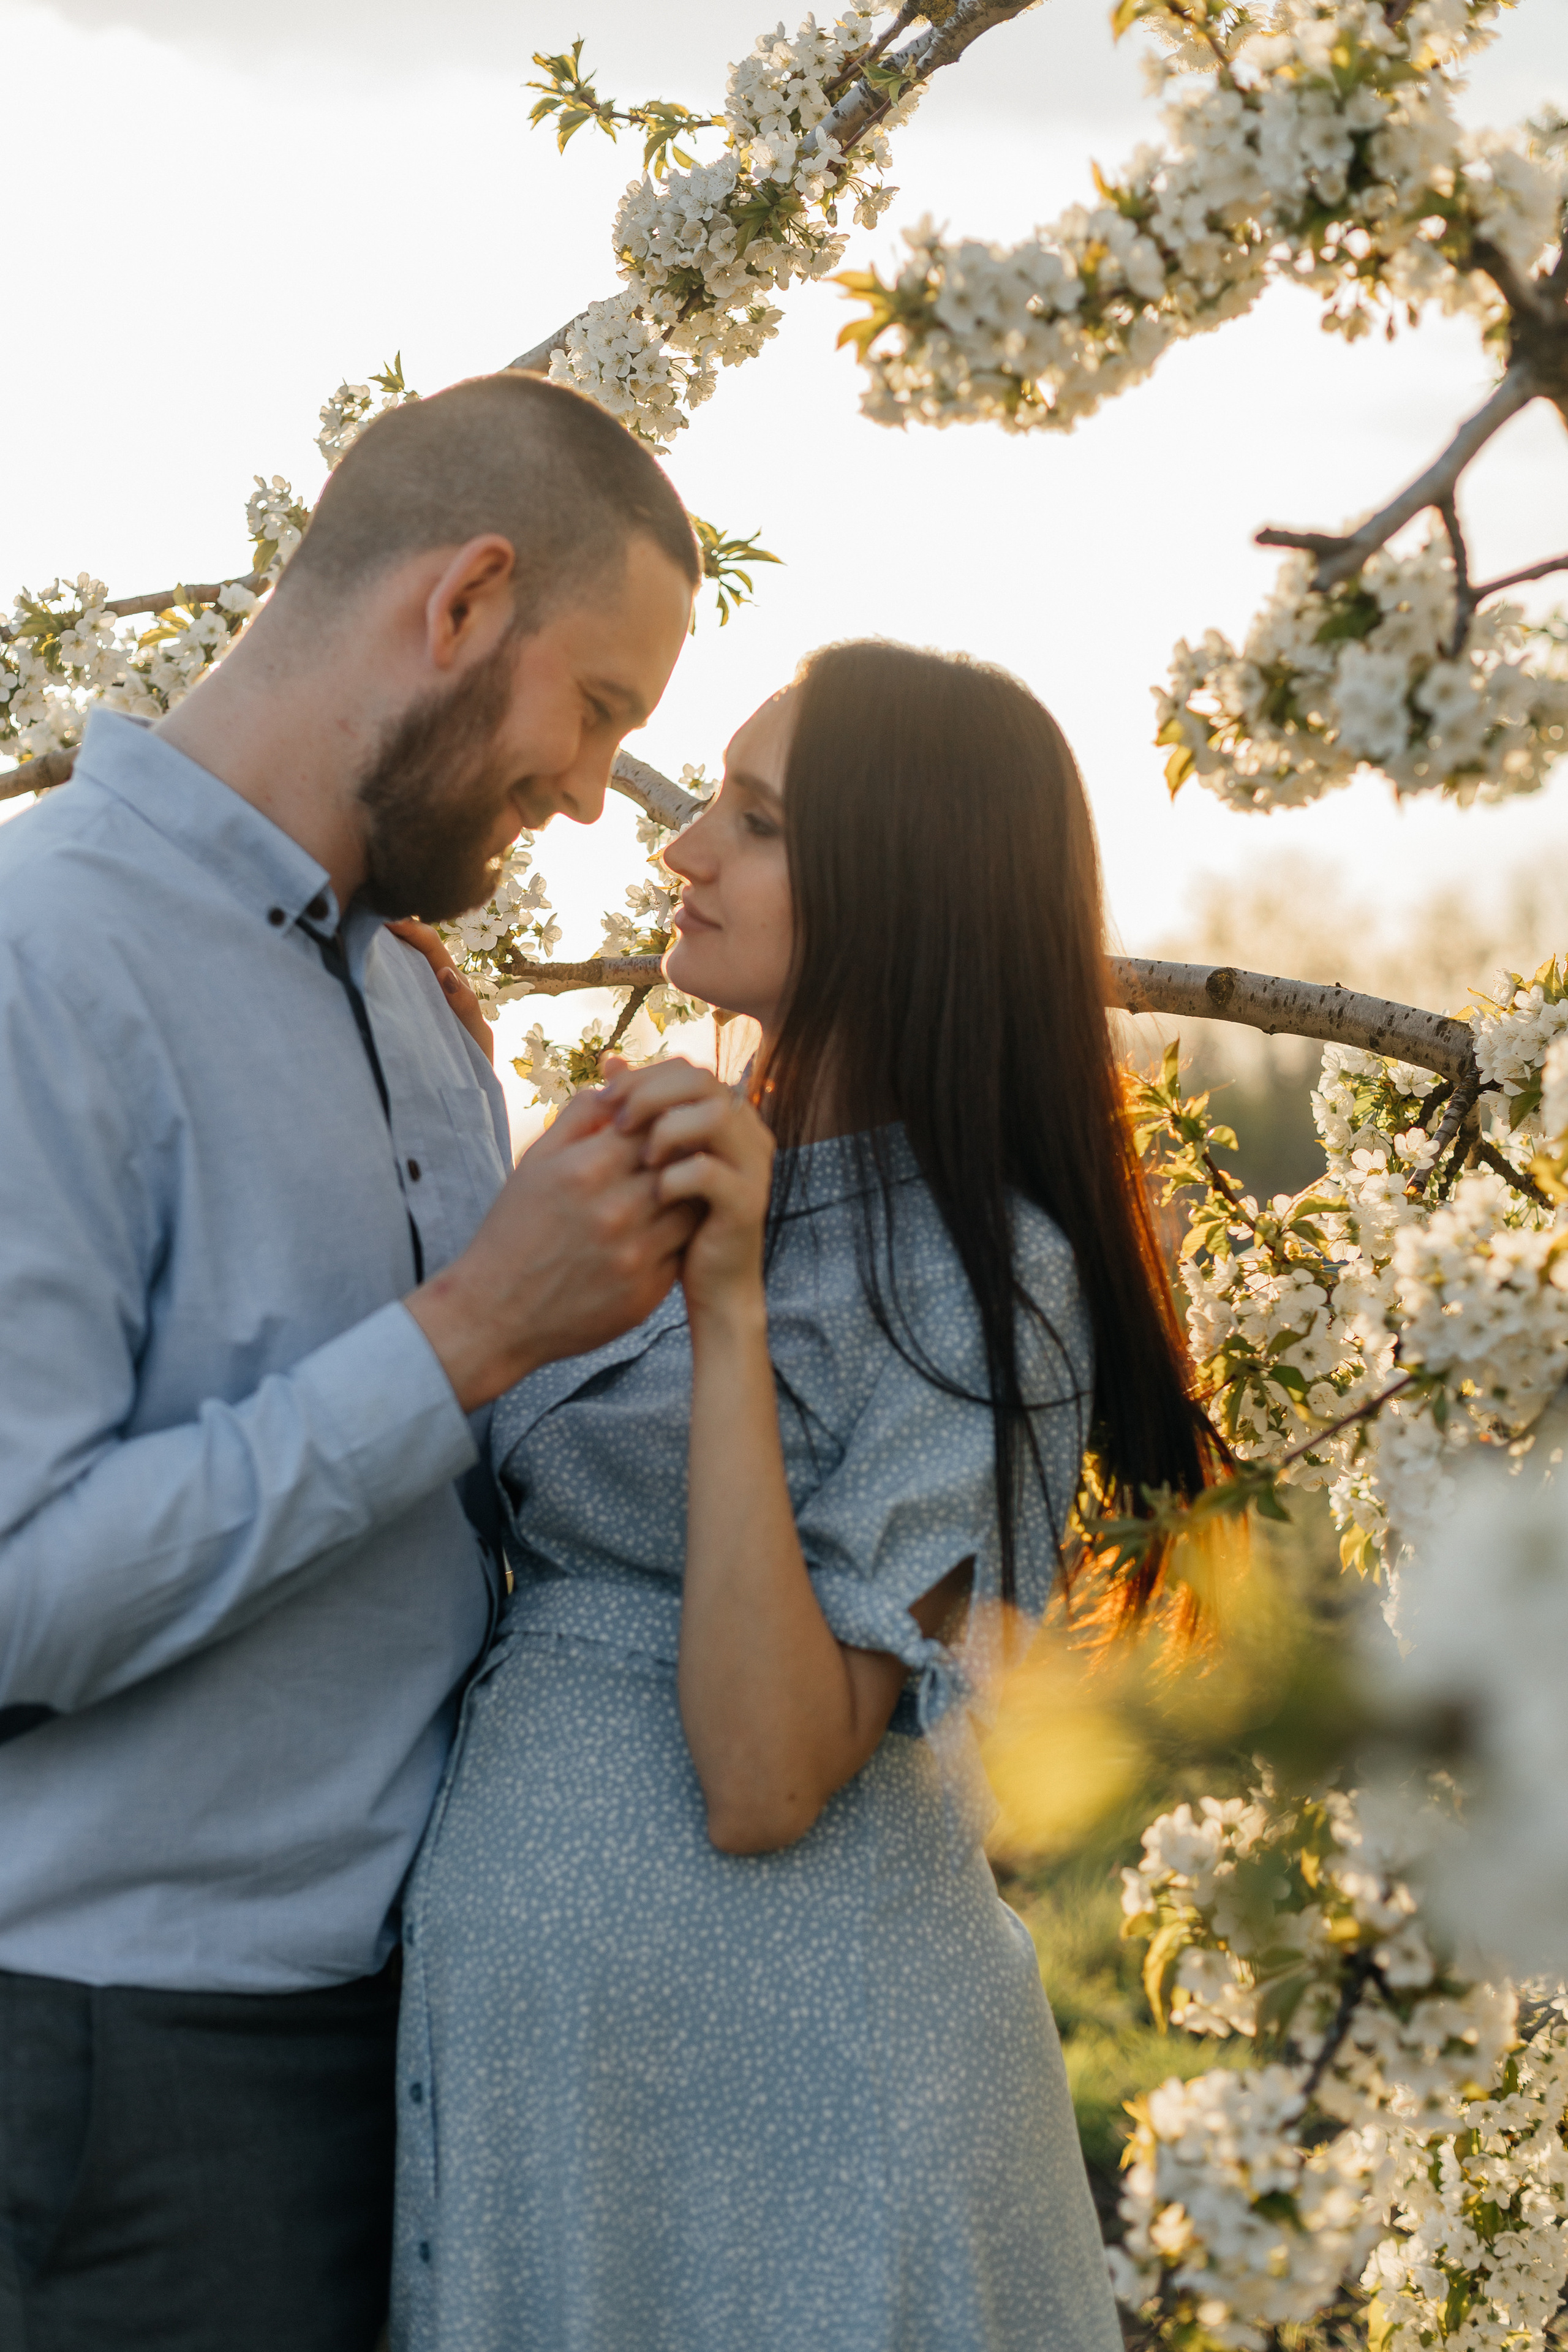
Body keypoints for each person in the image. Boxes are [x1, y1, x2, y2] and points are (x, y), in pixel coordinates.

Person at [392, 640, 1219, 2351]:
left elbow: (769, 1775)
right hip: (552, 2095)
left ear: (899, 891)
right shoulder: (634, 1152)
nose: (682, 846)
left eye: (754, 823)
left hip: (801, 2110)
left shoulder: (992, 1278)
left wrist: (733, 1309)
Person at [0, 371, 703, 2352]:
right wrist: (471, 1331)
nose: (589, 793)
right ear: (467, 601)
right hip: (121, 2067)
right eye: (605, 712)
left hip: (404, 2059)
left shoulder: (418, 1013)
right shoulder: (43, 964)